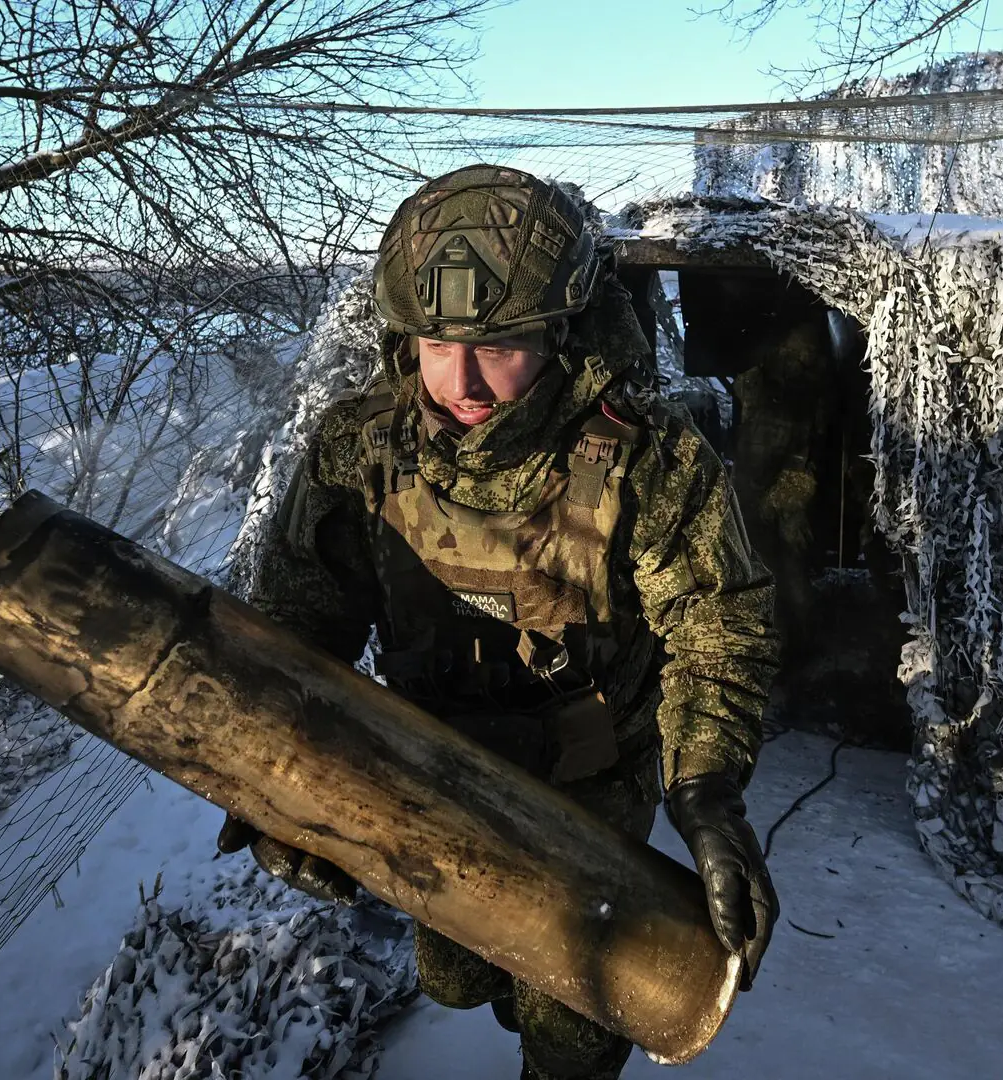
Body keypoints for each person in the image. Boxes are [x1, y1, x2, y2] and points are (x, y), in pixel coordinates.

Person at [218, 164, 781, 1080]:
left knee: (574, 1026)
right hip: (433, 771)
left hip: (588, 785)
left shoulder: (646, 455)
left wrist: (707, 793)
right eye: (438, 343)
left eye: (502, 343)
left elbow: (715, 623)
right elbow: (297, 619)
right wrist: (275, 779)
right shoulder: (361, 447)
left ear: (560, 329)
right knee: (456, 975)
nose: (463, 380)